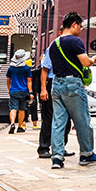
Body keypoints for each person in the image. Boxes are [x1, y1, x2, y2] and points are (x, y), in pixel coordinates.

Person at [48, 12, 96, 168]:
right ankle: (86, 154)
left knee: (58, 122)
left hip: (56, 84)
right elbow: (85, 63)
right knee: (82, 121)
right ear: (73, 25)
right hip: (72, 84)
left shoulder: (54, 44)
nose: (81, 29)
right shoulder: (75, 41)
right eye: (80, 26)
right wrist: (93, 59)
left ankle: (57, 158)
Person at [37, 25, 72, 159]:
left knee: (67, 118)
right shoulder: (53, 47)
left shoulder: (72, 47)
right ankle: (44, 147)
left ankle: (60, 147)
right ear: (60, 32)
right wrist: (43, 89)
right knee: (49, 117)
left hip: (66, 84)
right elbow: (44, 69)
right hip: (52, 82)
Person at [6, 50, 32, 134]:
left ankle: (12, 123)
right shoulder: (26, 68)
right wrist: (31, 92)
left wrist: (9, 88)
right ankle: (20, 126)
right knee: (22, 109)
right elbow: (29, 81)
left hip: (14, 90)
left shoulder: (11, 68)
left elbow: (8, 79)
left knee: (13, 108)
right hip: (24, 91)